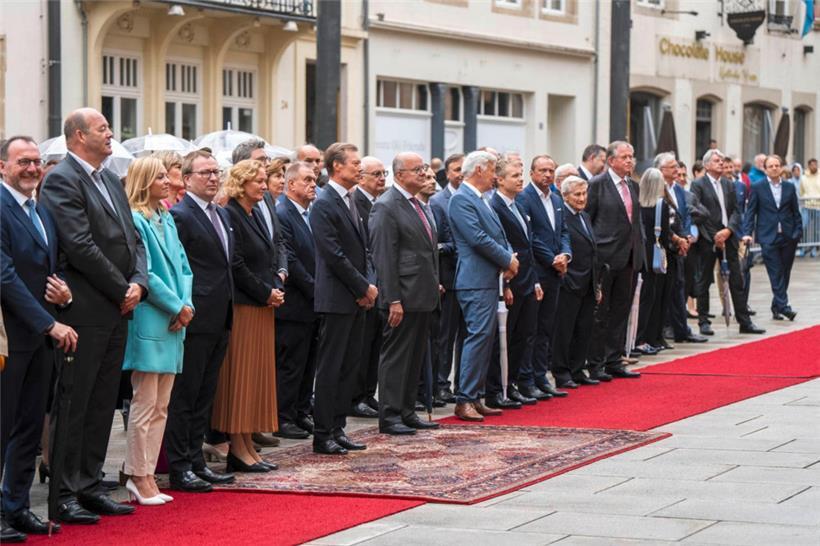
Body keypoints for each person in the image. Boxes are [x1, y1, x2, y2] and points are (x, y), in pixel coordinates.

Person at [39, 108, 147, 524]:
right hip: (84, 308)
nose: (110, 133)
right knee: (75, 401)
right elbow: (80, 245)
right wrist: (122, 289)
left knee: (103, 401)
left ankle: (89, 482)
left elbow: (131, 237)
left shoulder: (108, 180)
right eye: (102, 128)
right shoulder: (63, 180)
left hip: (118, 307)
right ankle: (64, 490)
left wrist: (138, 282)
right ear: (79, 135)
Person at [1, 136, 75, 537]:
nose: (32, 168)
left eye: (37, 161)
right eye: (23, 162)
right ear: (3, 167)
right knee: (2, 426)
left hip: (41, 339)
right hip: (9, 338)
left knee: (30, 427)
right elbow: (4, 276)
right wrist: (49, 324)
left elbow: (54, 265)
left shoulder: (42, 211)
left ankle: (16, 506)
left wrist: (63, 292)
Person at [121, 157, 193, 505]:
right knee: (145, 402)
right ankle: (138, 474)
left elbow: (183, 265)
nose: (169, 182)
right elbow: (145, 272)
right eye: (161, 177)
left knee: (162, 404)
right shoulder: (136, 219)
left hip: (175, 318)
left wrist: (187, 303)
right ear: (145, 181)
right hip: (153, 317)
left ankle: (148, 473)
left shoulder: (166, 217)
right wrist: (176, 305)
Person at [165, 149, 236, 493]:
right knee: (185, 395)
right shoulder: (181, 214)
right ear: (188, 177)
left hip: (221, 315)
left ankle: (196, 460)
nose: (212, 177)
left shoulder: (220, 214)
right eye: (205, 172)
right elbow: (180, 268)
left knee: (205, 394)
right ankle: (180, 466)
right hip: (195, 316)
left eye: (216, 172)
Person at [211, 159, 283, 473]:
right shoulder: (231, 214)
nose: (264, 187)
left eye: (265, 181)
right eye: (258, 181)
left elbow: (269, 253)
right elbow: (236, 264)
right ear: (241, 183)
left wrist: (277, 282)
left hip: (261, 306)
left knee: (255, 380)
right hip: (244, 306)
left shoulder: (253, 213)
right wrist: (264, 291)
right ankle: (238, 449)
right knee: (241, 379)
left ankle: (248, 445)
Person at [310, 142, 377, 455]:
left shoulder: (351, 201)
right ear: (336, 166)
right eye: (354, 163)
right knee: (331, 368)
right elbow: (333, 255)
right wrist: (362, 287)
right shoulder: (324, 203)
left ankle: (338, 427)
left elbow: (362, 251)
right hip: (337, 297)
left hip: (356, 297)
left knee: (349, 367)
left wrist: (366, 287)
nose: (359, 168)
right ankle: (323, 433)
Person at [369, 152, 440, 435]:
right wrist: (393, 299)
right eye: (417, 169)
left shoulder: (417, 204)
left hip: (422, 294)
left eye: (424, 168)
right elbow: (384, 256)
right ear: (400, 174)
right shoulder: (386, 206)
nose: (424, 173)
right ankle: (390, 415)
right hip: (402, 296)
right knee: (397, 355)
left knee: (415, 356)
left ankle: (408, 410)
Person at [448, 150, 517, 422]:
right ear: (478, 170)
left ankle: (475, 396)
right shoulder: (461, 200)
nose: (495, 176)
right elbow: (476, 238)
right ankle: (464, 399)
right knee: (477, 338)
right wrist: (507, 259)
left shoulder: (483, 199)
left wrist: (509, 257)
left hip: (488, 279)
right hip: (474, 280)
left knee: (484, 339)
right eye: (492, 171)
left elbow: (498, 235)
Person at [584, 141, 644, 380]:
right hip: (605, 259)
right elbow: (588, 220)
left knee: (621, 310)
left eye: (632, 156)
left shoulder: (633, 186)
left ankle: (614, 359)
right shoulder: (597, 185)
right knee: (601, 313)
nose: (630, 161)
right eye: (625, 157)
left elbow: (636, 223)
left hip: (629, 257)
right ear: (611, 161)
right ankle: (596, 363)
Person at [487, 159, 542, 407]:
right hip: (509, 282)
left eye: (521, 175)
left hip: (528, 280)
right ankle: (497, 389)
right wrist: (505, 285)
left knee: (525, 335)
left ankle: (516, 383)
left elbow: (527, 246)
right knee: (504, 339)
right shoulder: (494, 205)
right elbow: (500, 245)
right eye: (514, 176)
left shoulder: (518, 204)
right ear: (499, 179)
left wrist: (536, 281)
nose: (520, 179)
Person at [691, 149, 764, 335]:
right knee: (704, 279)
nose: (721, 163)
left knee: (737, 279)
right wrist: (716, 235)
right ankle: (703, 321)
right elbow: (697, 211)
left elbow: (737, 211)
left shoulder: (729, 184)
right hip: (709, 239)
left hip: (729, 237)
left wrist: (729, 230)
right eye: (717, 161)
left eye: (722, 160)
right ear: (707, 165)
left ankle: (744, 321)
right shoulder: (698, 185)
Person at [516, 154, 571, 398]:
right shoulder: (524, 198)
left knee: (547, 327)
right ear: (532, 173)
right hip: (535, 272)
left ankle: (541, 376)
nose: (547, 175)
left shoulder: (557, 198)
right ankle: (526, 379)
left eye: (551, 170)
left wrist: (565, 255)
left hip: (556, 272)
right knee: (531, 329)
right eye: (542, 171)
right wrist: (552, 258)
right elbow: (530, 238)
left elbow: (563, 231)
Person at [274, 162, 319, 439]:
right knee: (290, 364)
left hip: (312, 303)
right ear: (291, 185)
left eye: (314, 179)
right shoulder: (284, 213)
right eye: (307, 180)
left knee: (307, 363)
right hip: (294, 302)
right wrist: (315, 288)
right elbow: (290, 258)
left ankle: (301, 411)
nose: (313, 184)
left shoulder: (308, 213)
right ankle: (284, 415)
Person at [551, 176, 601, 388]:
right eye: (577, 194)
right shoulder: (561, 217)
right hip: (570, 282)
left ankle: (578, 369)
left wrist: (597, 284)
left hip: (588, 282)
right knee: (564, 331)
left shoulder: (585, 216)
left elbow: (592, 251)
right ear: (565, 196)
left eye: (584, 193)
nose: (582, 198)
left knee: (584, 329)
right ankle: (562, 373)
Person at [349, 156, 387, 419]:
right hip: (364, 283)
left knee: (375, 344)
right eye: (376, 174)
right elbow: (363, 249)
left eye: (384, 173)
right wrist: (368, 284)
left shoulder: (378, 202)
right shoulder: (356, 202)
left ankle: (367, 393)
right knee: (361, 346)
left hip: (380, 282)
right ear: (361, 177)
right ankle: (355, 396)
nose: (382, 178)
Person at [654, 153, 706, 344]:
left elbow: (683, 217)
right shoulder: (657, 189)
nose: (677, 170)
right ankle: (665, 328)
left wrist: (684, 239)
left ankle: (681, 329)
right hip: (664, 247)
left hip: (680, 247)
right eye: (672, 167)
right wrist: (676, 240)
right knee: (665, 291)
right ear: (661, 170)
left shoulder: (679, 190)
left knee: (680, 288)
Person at [742, 154, 802, 321]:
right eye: (771, 166)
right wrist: (747, 232)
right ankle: (784, 306)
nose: (775, 168)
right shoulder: (757, 187)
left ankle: (776, 306)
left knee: (785, 272)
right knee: (775, 272)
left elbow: (795, 212)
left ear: (781, 167)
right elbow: (750, 212)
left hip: (788, 236)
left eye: (777, 165)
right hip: (768, 236)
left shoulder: (789, 187)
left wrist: (797, 233)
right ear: (765, 169)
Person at [429, 153, 465, 404]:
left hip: (470, 278)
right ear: (448, 173)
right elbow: (436, 243)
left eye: (464, 168)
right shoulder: (438, 201)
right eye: (456, 170)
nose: (460, 173)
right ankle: (442, 383)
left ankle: (464, 383)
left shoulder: (474, 198)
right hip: (449, 277)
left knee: (466, 335)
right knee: (446, 336)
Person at [633, 168, 671, 355]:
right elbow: (664, 234)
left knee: (637, 299)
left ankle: (635, 338)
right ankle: (643, 338)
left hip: (638, 254)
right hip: (653, 256)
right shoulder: (660, 204)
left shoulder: (636, 202)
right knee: (649, 299)